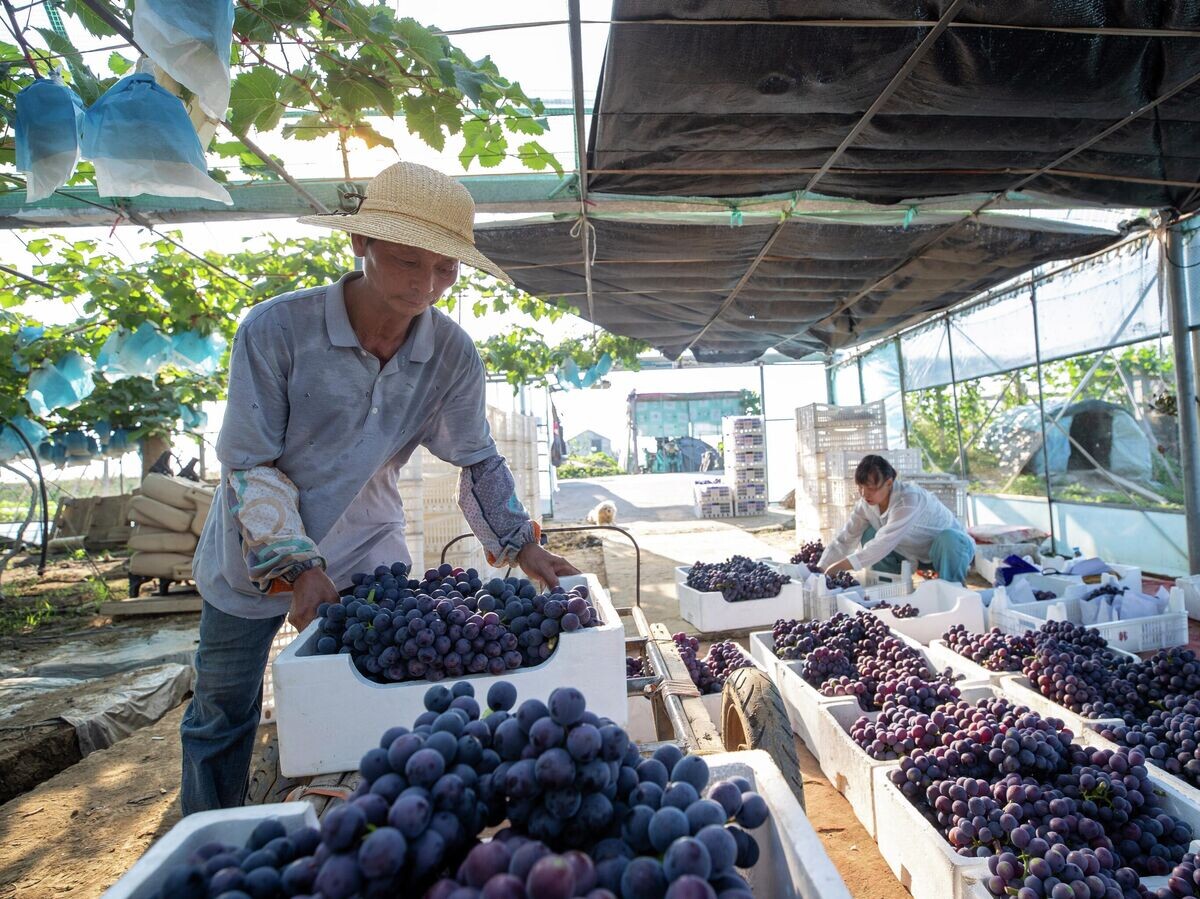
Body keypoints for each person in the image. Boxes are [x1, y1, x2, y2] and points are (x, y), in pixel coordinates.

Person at [181, 161, 579, 814]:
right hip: (252, 556)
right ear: (360, 244)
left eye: (445, 269)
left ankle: (371, 828)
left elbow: (476, 456)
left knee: (380, 696)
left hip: (367, 546)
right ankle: (208, 837)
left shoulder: (451, 355)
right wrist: (298, 564)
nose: (426, 285)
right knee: (221, 711)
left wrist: (520, 542)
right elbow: (251, 466)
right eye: (406, 261)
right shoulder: (275, 332)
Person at [818, 454, 975, 583]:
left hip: (949, 552)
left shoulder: (909, 499)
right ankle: (887, 585)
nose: (865, 494)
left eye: (871, 488)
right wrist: (822, 567)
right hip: (911, 553)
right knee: (869, 532)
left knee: (949, 538)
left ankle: (951, 589)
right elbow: (846, 538)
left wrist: (841, 566)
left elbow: (883, 544)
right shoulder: (865, 505)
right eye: (861, 487)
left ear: (889, 483)